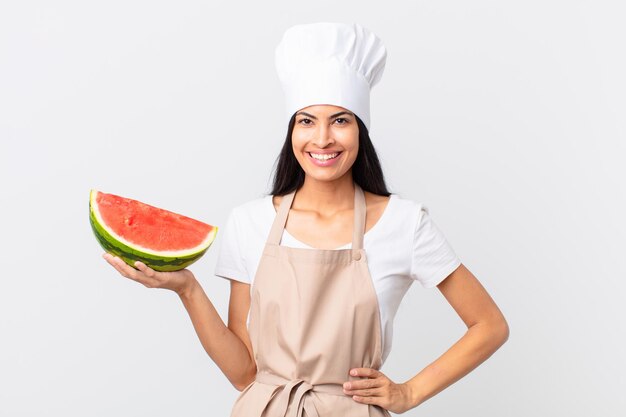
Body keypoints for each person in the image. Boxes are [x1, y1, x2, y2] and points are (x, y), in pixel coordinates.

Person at [103, 22, 509, 416]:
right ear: (291, 131)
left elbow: (489, 325)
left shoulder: (404, 223)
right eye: (307, 121)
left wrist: (409, 392)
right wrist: (188, 290)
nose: (322, 139)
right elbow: (244, 372)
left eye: (340, 120)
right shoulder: (250, 222)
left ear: (360, 131)